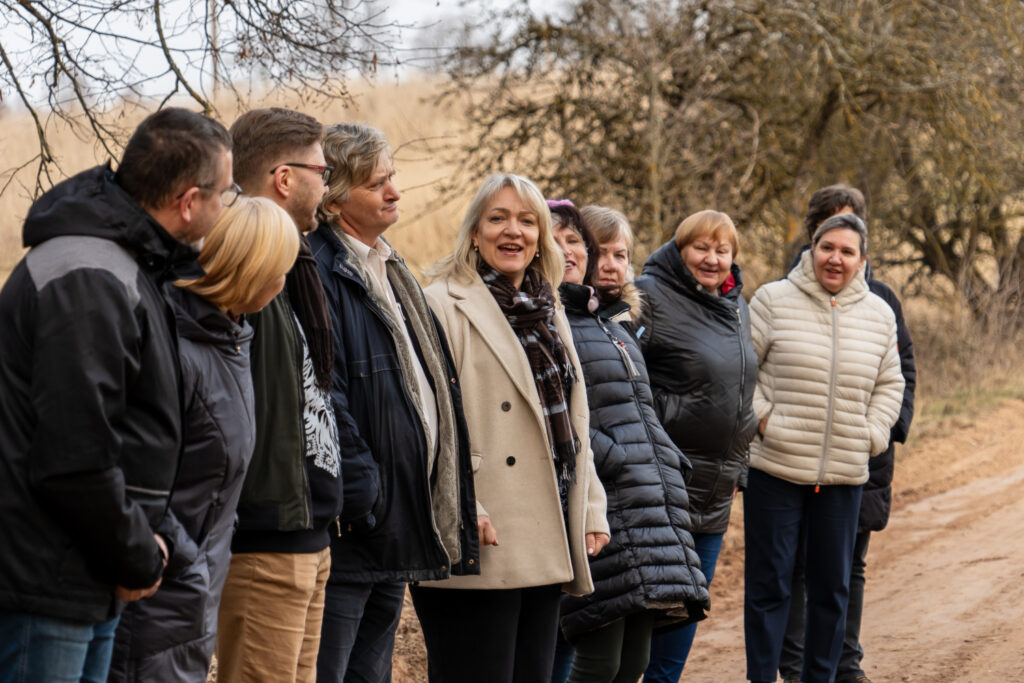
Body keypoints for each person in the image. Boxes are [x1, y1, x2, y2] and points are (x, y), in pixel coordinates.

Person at [0, 107, 232, 682]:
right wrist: (138, 554)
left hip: (91, 566)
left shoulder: (127, 264)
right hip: (48, 579)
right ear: (188, 201)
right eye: (224, 193)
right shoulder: (90, 277)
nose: (228, 206)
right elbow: (74, 457)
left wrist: (141, 543)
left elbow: (128, 431)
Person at [410, 174, 610, 683]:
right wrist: (462, 503)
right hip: (482, 529)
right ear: (474, 233)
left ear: (541, 236)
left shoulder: (549, 306)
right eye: (497, 218)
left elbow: (574, 419)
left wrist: (590, 505)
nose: (512, 231)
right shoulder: (441, 303)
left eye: (526, 221)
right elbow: (425, 418)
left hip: (546, 526)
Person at [307, 122, 479, 683]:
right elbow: (326, 392)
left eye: (392, 178)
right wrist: (365, 494)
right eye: (376, 183)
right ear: (335, 199)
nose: (394, 192)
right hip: (356, 526)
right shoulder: (319, 270)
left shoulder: (388, 264)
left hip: (395, 519)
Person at [107, 196, 299, 682]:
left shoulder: (232, 339)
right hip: (156, 594)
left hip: (192, 596)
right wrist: (183, 564)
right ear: (252, 272)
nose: (284, 283)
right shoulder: (178, 346)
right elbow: (127, 469)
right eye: (280, 271)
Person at [551, 201, 709, 683]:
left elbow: (640, 410)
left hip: (644, 498)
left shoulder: (614, 325)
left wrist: (667, 458)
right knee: (599, 658)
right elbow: (556, 412)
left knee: (634, 661)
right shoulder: (555, 322)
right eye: (602, 252)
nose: (611, 265)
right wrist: (615, 457)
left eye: (621, 255)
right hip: (604, 500)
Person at [744, 213, 905, 683]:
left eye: (847, 251)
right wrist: (766, 421)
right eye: (827, 247)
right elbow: (743, 373)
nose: (835, 258)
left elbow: (890, 383)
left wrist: (871, 434)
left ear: (862, 260)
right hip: (775, 469)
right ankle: (761, 677)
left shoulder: (879, 314)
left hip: (843, 476)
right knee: (770, 584)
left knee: (832, 588)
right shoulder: (772, 299)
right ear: (811, 249)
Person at [215, 108, 343, 683]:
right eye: (322, 170)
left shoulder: (298, 267)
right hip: (264, 539)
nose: (328, 185)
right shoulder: (241, 265)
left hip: (309, 530)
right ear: (285, 178)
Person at [632, 210, 758, 682]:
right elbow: (624, 385)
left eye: (722, 250)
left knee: (686, 610)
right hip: (661, 488)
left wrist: (739, 470)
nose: (712, 259)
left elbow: (740, 394)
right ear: (679, 249)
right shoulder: (648, 297)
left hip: (716, 492)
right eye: (701, 247)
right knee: (640, 617)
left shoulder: (735, 305)